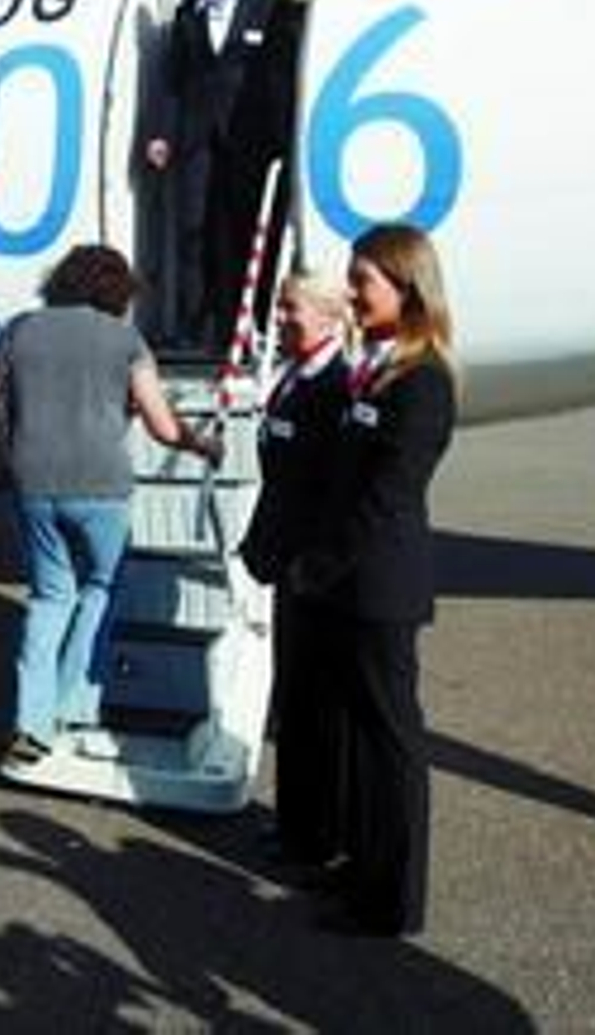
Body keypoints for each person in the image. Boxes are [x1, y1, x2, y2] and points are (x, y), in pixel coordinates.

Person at [0, 243, 221, 773]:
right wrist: (204, 444)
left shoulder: (19, 329)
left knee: (48, 597)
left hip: (33, 484)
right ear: (118, 292)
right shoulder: (125, 339)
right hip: (102, 488)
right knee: (100, 588)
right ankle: (74, 705)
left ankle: (30, 724)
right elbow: (161, 424)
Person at [291, 223, 458, 936]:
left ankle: (392, 900)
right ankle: (359, 868)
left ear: (406, 286)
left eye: (363, 281)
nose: (352, 294)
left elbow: (387, 496)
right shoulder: (379, 364)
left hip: (379, 586)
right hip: (350, 586)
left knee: (391, 743)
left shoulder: (422, 381)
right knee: (359, 735)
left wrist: (318, 567)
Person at [238, 272, 352, 869]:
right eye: (280, 308)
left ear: (332, 317)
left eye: (292, 309)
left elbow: (332, 492)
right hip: (288, 563)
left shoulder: (334, 387)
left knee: (314, 705)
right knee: (295, 701)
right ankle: (294, 822)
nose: (280, 318)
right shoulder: (297, 375)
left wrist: (309, 562)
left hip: (312, 572)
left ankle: (316, 833)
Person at [145, 0, 292, 351]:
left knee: (251, 231)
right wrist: (160, 133)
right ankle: (206, 327)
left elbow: (279, 77)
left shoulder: (268, 7)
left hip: (252, 141)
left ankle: (259, 324)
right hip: (197, 142)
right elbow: (172, 82)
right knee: (196, 235)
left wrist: (283, 135)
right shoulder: (188, 15)